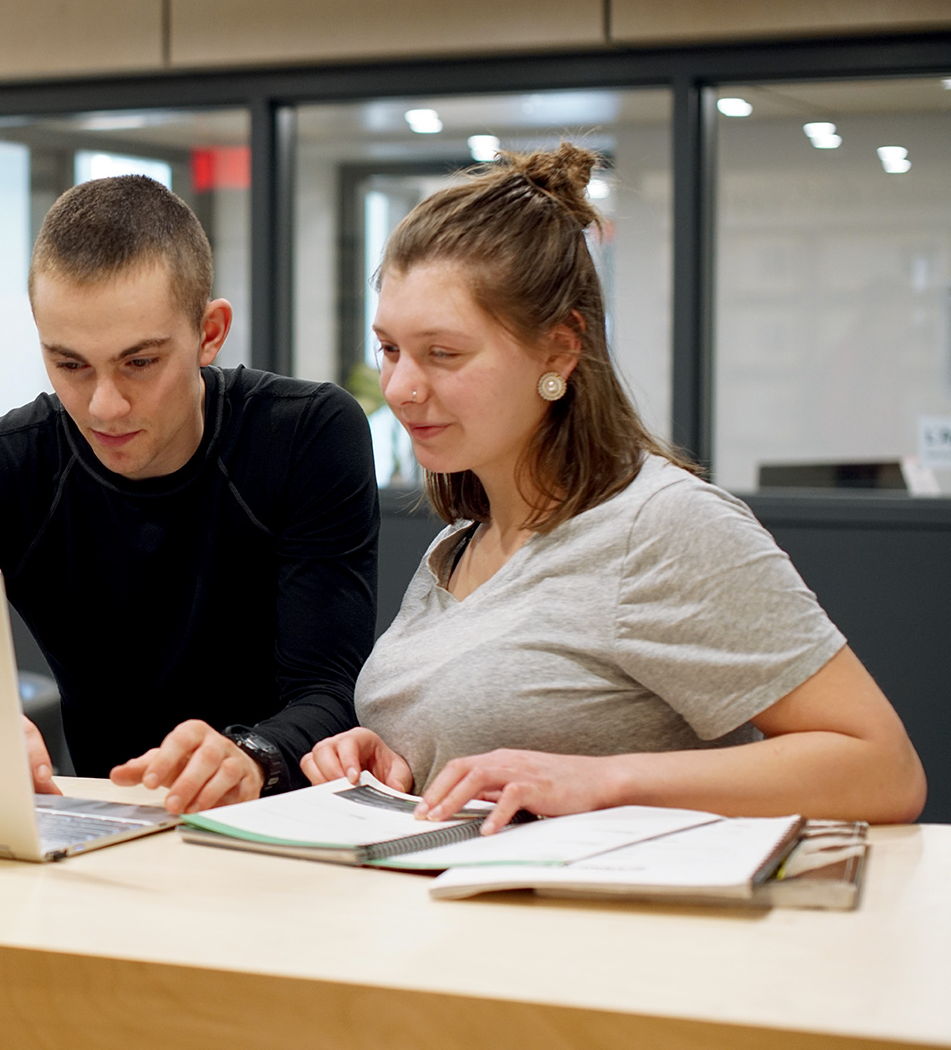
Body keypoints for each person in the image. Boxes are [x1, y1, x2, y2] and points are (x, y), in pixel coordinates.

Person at [304, 144, 926, 830]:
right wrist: (390, 760)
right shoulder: (457, 547)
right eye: (389, 349)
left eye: (443, 354)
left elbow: (882, 768)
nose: (400, 388)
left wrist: (604, 781)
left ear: (560, 350)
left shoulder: (662, 528)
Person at [0, 176, 379, 814]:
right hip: (105, 826)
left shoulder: (306, 434)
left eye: (139, 363)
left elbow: (330, 692)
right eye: (70, 365)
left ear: (210, 332)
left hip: (281, 825)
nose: (104, 406)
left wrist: (253, 754)